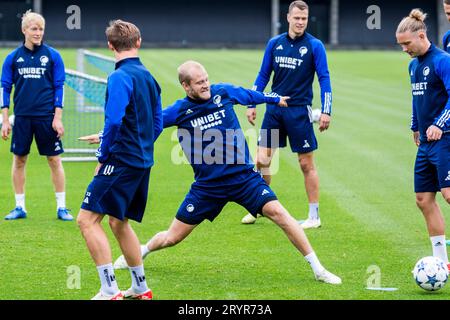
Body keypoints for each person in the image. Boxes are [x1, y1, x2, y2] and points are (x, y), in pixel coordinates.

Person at [113, 60, 342, 286]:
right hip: (207, 187)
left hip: (244, 178)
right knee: (173, 237)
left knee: (279, 213)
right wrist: (111, 136)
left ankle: (318, 269)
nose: (205, 85)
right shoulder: (179, 111)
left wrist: (274, 98)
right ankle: (143, 250)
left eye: (206, 80)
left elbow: (249, 95)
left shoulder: (222, 93)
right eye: (199, 83)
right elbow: (146, 125)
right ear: (186, 86)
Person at [76, 20, 162, 300]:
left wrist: (103, 154)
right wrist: (141, 145)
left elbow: (114, 120)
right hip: (141, 161)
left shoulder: (118, 78)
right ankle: (140, 287)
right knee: (118, 221)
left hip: (121, 161)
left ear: (110, 46)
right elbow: (156, 122)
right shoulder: (149, 77)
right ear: (138, 42)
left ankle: (109, 290)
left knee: (87, 220)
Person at [240, 1, 332, 228]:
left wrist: (326, 110)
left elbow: (324, 78)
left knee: (305, 164)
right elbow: (263, 75)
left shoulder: (315, 46)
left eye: (304, 18)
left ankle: (314, 216)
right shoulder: (275, 44)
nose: (301, 22)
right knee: (262, 160)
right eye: (297, 18)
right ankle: (259, 207)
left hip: (299, 112)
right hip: (274, 110)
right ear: (288, 17)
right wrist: (252, 102)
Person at [0, 10, 72, 221]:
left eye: (41, 29)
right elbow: (4, 88)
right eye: (34, 29)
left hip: (46, 118)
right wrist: (5, 119)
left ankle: (62, 207)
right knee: (19, 160)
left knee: (54, 160)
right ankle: (19, 206)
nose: (38, 32)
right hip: (22, 117)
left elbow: (60, 87)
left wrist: (57, 117)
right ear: (24, 30)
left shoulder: (52, 56)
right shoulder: (13, 58)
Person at [396, 9, 450, 270]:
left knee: (449, 195)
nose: (404, 49)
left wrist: (440, 124)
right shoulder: (412, 65)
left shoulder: (443, 61)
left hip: (446, 139)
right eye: (400, 45)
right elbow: (418, 99)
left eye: (407, 43)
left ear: (421, 35)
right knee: (423, 199)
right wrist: (415, 125)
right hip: (426, 143)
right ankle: (441, 262)